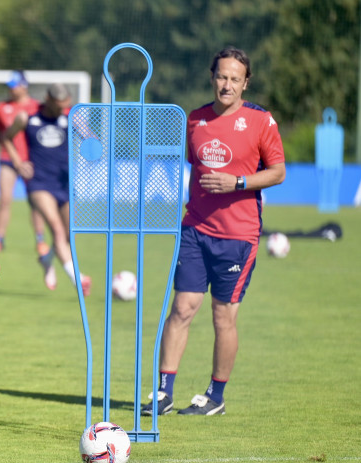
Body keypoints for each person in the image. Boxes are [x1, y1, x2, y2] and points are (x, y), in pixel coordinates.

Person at [142, 47, 285, 416]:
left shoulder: (261, 121)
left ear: (245, 82)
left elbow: (278, 172)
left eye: (235, 79)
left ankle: (215, 397)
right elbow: (195, 166)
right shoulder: (196, 120)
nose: (227, 84)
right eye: (222, 77)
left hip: (238, 236)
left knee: (223, 316)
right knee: (182, 309)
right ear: (212, 77)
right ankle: (163, 393)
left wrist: (238, 182)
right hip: (195, 229)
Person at [3, 83, 91, 294]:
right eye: (59, 106)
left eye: (66, 106)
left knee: (70, 235)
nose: (62, 110)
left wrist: (86, 133)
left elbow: (92, 142)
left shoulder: (71, 117)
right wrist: (17, 163)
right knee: (57, 229)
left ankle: (47, 260)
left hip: (63, 182)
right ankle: (78, 278)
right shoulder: (27, 117)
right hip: (38, 183)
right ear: (48, 100)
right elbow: (5, 138)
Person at [0, 70, 50, 263]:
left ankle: (40, 240)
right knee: (5, 200)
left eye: (15, 86)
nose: (12, 90)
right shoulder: (2, 108)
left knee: (36, 202)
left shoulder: (37, 107)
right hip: (8, 159)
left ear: (24, 86)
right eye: (10, 86)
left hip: (31, 161)